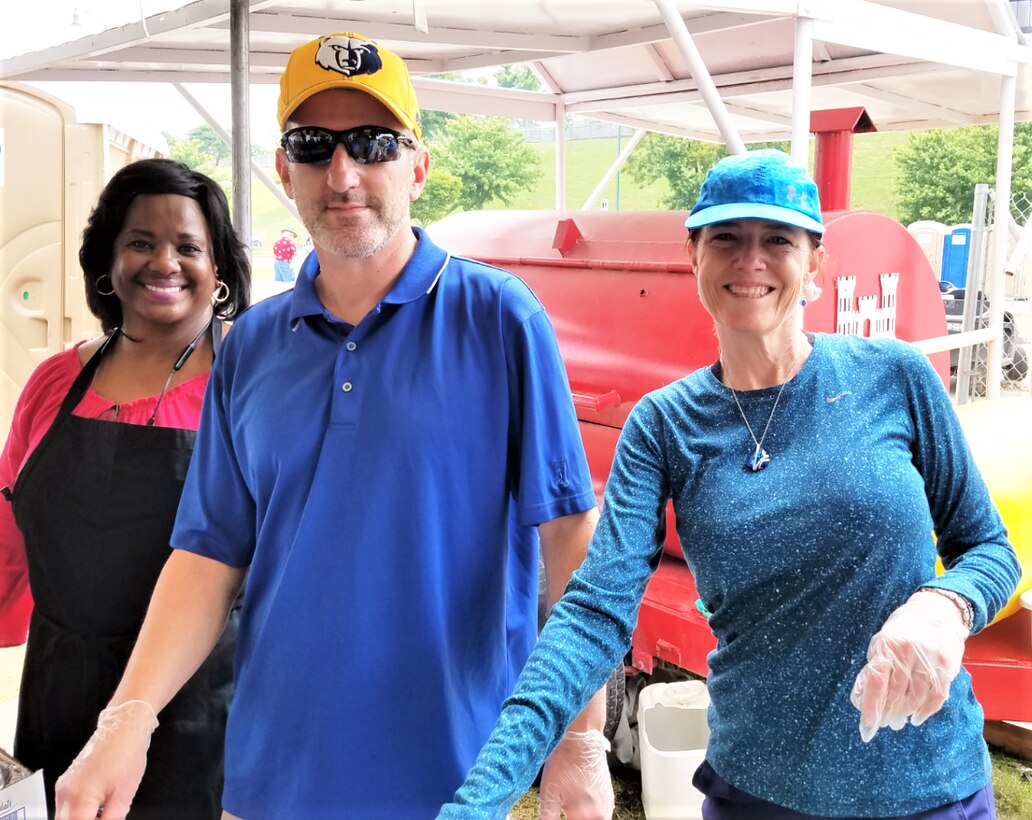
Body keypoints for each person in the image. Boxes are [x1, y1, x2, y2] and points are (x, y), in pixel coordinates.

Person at [54, 31, 613, 820]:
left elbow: (571, 542)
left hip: (460, 785)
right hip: (271, 784)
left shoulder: (499, 320)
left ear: (417, 163)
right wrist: (128, 719)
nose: (343, 173)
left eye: (373, 144)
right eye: (314, 146)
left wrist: (580, 739)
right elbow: (208, 556)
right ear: (284, 170)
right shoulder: (250, 345)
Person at [437, 149, 1021, 819]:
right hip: (760, 796)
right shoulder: (663, 425)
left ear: (816, 264)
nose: (751, 261)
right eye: (726, 239)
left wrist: (945, 604)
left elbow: (989, 549)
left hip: (930, 789)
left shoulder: (895, 377)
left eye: (777, 239)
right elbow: (594, 613)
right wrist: (480, 800)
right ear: (694, 257)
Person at [0, 157, 250, 817]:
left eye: (188, 246)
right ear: (107, 259)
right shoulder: (56, 381)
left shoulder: (249, 385)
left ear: (218, 268)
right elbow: (9, 532)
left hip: (200, 714)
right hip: (58, 695)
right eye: (141, 241)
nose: (163, 261)